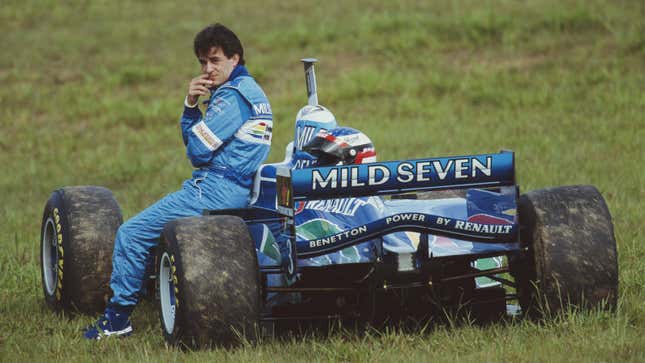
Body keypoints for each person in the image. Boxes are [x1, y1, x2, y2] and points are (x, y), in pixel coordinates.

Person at [84, 23, 273, 339]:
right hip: (236, 188)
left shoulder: (232, 97)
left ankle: (116, 321)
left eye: (215, 60)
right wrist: (192, 105)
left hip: (213, 191)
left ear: (235, 59)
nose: (207, 69)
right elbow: (199, 147)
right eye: (202, 62)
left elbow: (197, 152)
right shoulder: (252, 93)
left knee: (132, 233)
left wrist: (189, 110)